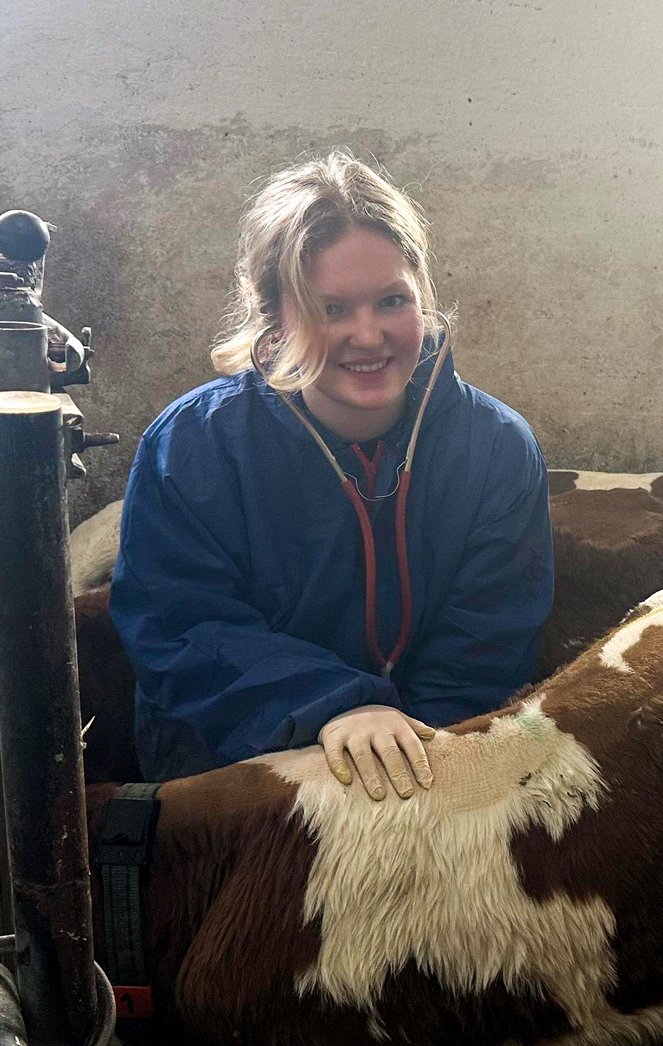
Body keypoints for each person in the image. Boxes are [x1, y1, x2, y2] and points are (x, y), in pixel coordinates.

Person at [111, 152, 553, 795]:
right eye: (331, 309)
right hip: (233, 752)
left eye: (391, 300)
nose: (368, 335)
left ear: (422, 300)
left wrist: (414, 741)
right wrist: (337, 704)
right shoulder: (195, 445)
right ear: (275, 315)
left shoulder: (497, 448)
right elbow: (182, 625)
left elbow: (491, 635)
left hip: (430, 747)